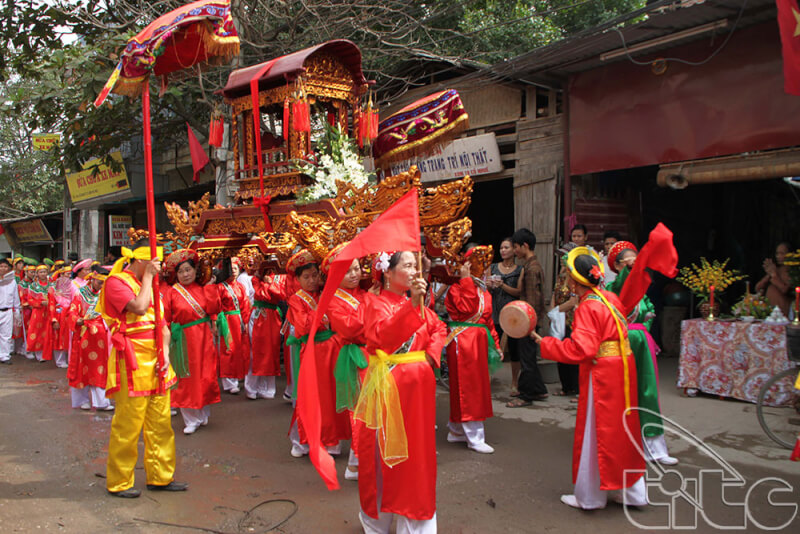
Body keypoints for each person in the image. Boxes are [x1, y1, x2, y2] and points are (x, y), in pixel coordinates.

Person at [533, 246, 647, 509]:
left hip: (603, 373)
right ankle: (634, 493)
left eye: (568, 276)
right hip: (623, 368)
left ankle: (590, 497)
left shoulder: (587, 307)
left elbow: (582, 349)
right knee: (623, 428)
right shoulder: (609, 298)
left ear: (575, 281)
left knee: (597, 432)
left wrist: (546, 344)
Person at [354, 250, 447, 534]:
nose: (413, 270)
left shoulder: (416, 304)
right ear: (388, 272)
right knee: (384, 453)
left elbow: (439, 327)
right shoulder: (374, 303)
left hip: (417, 392)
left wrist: (431, 356)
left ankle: (416, 521)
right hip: (389, 388)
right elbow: (383, 338)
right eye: (407, 265)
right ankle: (377, 520)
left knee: (417, 456)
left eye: (415, 265)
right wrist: (414, 306)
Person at [96, 242, 185, 498]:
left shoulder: (155, 287)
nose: (157, 270)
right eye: (153, 264)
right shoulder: (115, 283)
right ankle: (120, 481)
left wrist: (166, 354)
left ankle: (160, 477)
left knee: (160, 423)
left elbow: (163, 326)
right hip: (132, 360)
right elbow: (139, 307)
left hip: (157, 361)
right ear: (140, 261)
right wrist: (147, 278)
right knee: (128, 425)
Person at [606, 241, 678, 466]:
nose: (636, 266)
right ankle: (624, 445)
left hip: (642, 344)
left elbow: (648, 311)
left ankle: (655, 448)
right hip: (622, 344)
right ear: (618, 266)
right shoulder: (613, 288)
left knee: (647, 393)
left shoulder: (642, 291)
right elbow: (622, 286)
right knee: (622, 395)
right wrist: (629, 271)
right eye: (629, 263)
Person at [285, 249, 349, 457]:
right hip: (311, 352)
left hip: (331, 350)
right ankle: (303, 439)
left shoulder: (325, 293)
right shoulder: (296, 300)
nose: (311, 281)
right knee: (309, 396)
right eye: (306, 277)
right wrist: (323, 315)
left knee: (329, 396)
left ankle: (330, 439)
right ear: (297, 279)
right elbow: (303, 327)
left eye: (314, 275)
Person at [444, 252, 502, 454]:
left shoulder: (483, 291)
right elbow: (467, 309)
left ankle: (457, 429)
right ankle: (474, 436)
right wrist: (466, 280)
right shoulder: (457, 288)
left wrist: (496, 344)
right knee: (468, 388)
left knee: (473, 386)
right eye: (480, 264)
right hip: (463, 342)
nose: (485, 269)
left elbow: (488, 321)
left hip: (477, 343)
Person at [323, 244, 369, 480]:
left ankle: (361, 460)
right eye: (347, 270)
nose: (354, 274)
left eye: (357, 268)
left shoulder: (364, 293)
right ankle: (355, 463)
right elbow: (350, 327)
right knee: (358, 411)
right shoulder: (331, 300)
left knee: (368, 409)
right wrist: (372, 312)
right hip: (352, 357)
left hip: (370, 355)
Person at [163, 249, 222, 435]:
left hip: (204, 337)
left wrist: (212, 287)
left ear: (195, 271)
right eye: (181, 272)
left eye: (188, 270)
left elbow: (214, 308)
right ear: (176, 275)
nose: (185, 274)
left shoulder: (203, 288)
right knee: (186, 377)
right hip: (183, 340)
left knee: (205, 374)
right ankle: (190, 417)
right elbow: (165, 317)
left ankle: (202, 412)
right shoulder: (172, 292)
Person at [506, 229, 548, 407]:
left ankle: (526, 395)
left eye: (515, 247)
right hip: (531, 321)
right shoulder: (531, 266)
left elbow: (532, 300)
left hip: (528, 322)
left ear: (524, 246)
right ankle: (538, 389)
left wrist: (528, 325)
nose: (515, 251)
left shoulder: (532, 268)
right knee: (529, 356)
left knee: (527, 358)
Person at [67, 266, 113, 411]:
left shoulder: (106, 295)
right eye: (100, 283)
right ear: (92, 279)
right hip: (83, 335)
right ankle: (82, 400)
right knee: (81, 368)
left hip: (100, 337)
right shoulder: (80, 294)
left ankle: (101, 402)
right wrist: (78, 320)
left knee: (99, 367)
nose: (102, 286)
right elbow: (72, 311)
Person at [247, 268, 294, 400]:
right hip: (258, 316)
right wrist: (266, 282)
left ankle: (268, 388)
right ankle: (251, 387)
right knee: (256, 351)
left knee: (271, 351)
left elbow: (281, 295)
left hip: (273, 317)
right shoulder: (256, 278)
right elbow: (262, 295)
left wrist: (269, 283)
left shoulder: (280, 278)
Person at [487, 237, 522, 394]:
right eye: (501, 248)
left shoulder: (519, 270)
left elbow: (518, 292)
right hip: (495, 312)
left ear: (514, 250)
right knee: (491, 347)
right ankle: (487, 380)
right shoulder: (493, 267)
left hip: (512, 314)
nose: (503, 250)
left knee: (514, 350)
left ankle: (514, 382)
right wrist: (489, 285)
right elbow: (486, 289)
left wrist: (503, 286)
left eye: (506, 247)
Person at [216, 257, 251, 395]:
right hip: (227, 320)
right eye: (231, 269)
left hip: (239, 320)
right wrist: (217, 321)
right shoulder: (220, 287)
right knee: (227, 349)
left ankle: (236, 377)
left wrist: (246, 320)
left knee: (238, 349)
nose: (234, 272)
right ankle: (229, 381)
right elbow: (217, 306)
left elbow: (245, 305)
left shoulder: (240, 286)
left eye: (236, 269)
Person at [550, 244, 579, 397]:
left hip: (572, 320)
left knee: (572, 355)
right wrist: (552, 311)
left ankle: (576, 388)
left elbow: (573, 301)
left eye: (564, 256)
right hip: (560, 320)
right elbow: (555, 294)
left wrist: (556, 311)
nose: (561, 259)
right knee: (560, 353)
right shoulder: (561, 276)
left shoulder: (576, 277)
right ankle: (565, 387)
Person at [756, 242, 793, 316]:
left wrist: (774, 275)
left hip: (782, 312)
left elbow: (785, 289)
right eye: (777, 254)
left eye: (782, 253)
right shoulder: (776, 269)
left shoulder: (792, 271)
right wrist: (769, 275)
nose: (778, 256)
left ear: (790, 254)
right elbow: (757, 288)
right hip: (769, 311)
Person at [47, 267, 72, 368]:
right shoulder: (53, 289)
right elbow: (51, 305)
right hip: (58, 316)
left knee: (67, 338)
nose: (69, 276)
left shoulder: (72, 286)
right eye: (67, 274)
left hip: (68, 316)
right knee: (58, 339)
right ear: (61, 275)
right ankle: (59, 361)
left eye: (70, 274)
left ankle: (67, 358)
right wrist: (54, 319)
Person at [26, 265, 52, 362]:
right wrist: (40, 303)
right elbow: (30, 300)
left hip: (50, 311)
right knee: (37, 332)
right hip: (38, 312)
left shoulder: (52, 285)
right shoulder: (33, 286)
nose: (43, 274)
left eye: (44, 272)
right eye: (40, 272)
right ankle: (38, 353)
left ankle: (47, 353)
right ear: (37, 274)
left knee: (48, 332)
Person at [0, 258, 20, 364]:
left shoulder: (12, 282)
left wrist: (17, 311)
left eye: (5, 266)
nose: (3, 268)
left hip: (7, 311)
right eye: (1, 266)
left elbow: (15, 297)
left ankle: (5, 356)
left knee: (6, 334)